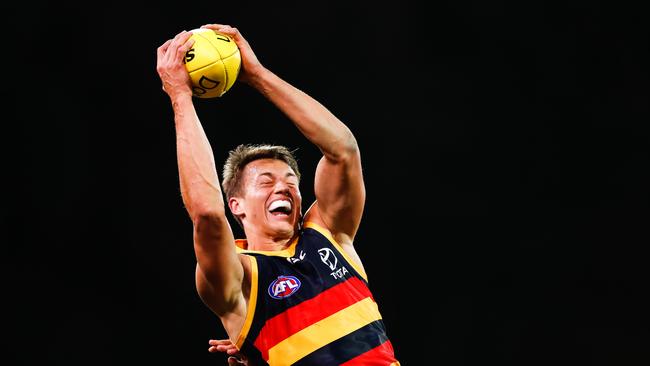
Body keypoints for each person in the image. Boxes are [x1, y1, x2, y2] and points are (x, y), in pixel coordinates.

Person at [156, 23, 400, 366]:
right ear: (236, 205)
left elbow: (343, 149)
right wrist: (180, 97)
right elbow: (208, 215)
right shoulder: (239, 277)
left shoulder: (328, 234)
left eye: (289, 180)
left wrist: (256, 74)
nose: (283, 187)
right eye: (266, 181)